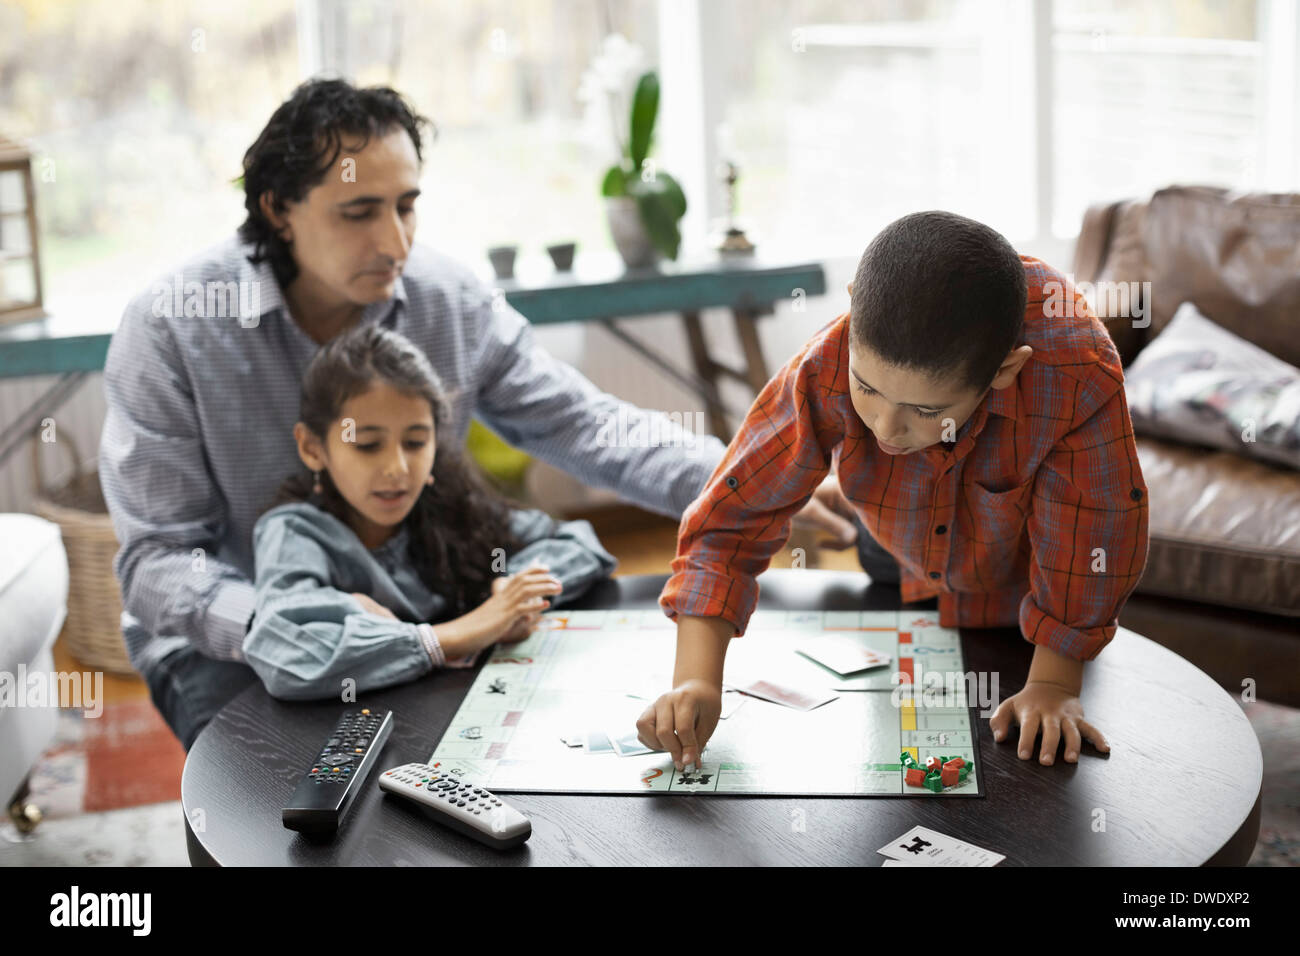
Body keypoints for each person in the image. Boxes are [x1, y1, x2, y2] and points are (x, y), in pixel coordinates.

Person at [99, 77, 855, 750]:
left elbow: (581, 423)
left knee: (477, 765)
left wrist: (736, 488)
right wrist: (298, 626)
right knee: (290, 801)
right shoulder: (172, 327)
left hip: (427, 605)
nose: (395, 241)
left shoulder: (445, 300)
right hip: (226, 642)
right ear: (279, 210)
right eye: (360, 212)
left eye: (406, 206)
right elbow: (159, 562)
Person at [642, 210, 1151, 772]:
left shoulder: (1079, 373)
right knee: (874, 541)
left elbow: (1092, 541)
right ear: (854, 306)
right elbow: (728, 522)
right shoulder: (829, 357)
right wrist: (695, 679)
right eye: (867, 389)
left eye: (926, 410)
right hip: (895, 549)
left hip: (1022, 580)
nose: (885, 430)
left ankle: (845, 491)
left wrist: (1054, 684)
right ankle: (846, 494)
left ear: (1005, 370)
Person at [244, 324, 616, 700]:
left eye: (416, 442)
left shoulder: (450, 507)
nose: (398, 468)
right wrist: (458, 634)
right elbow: (282, 649)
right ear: (312, 448)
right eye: (368, 445)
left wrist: (515, 593)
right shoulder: (295, 532)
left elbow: (578, 543)